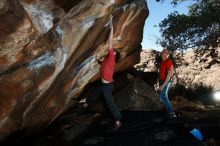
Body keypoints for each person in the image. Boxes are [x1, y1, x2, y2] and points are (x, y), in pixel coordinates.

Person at [83, 16, 122, 129]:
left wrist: (111, 28)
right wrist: (97, 60)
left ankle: (118, 121)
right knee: (93, 95)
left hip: (107, 86)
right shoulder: (106, 59)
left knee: (109, 103)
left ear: (114, 54)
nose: (112, 50)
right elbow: (103, 65)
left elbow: (110, 42)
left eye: (114, 51)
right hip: (104, 85)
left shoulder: (111, 57)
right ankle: (87, 105)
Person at [154, 49, 177, 118]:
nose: (164, 54)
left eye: (166, 53)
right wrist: (157, 82)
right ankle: (167, 111)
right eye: (163, 52)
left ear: (168, 55)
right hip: (161, 81)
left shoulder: (168, 61)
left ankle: (172, 114)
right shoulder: (162, 62)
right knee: (163, 97)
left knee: (163, 97)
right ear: (162, 54)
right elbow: (160, 73)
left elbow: (169, 74)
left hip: (167, 81)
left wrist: (163, 85)